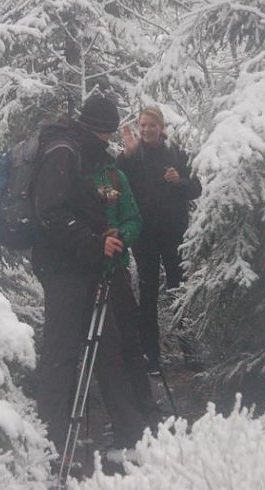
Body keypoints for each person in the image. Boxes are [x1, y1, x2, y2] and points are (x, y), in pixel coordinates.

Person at [31, 95, 147, 459]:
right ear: (97, 129)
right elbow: (52, 214)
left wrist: (100, 244)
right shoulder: (64, 151)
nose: (108, 141)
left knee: (108, 349)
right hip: (66, 271)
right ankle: (52, 445)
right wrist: (95, 244)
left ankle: (129, 437)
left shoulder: (77, 150)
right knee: (61, 354)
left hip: (84, 269)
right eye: (107, 133)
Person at [118, 105, 202, 374]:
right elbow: (115, 182)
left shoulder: (177, 154)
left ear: (161, 127)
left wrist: (179, 182)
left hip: (174, 235)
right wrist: (126, 154)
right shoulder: (131, 157)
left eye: (151, 125)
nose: (146, 130)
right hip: (144, 238)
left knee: (178, 292)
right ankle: (151, 356)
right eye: (142, 125)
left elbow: (196, 188)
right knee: (149, 295)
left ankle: (188, 350)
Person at [93, 156, 160, 427]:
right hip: (87, 275)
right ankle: (122, 416)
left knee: (130, 341)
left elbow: (134, 219)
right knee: (103, 348)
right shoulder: (76, 175)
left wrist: (122, 234)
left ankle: (146, 406)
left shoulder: (116, 177)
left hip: (117, 271)